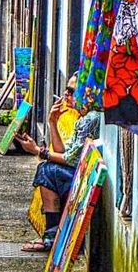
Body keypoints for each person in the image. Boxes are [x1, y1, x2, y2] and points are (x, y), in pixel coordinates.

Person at [15, 72, 99, 252]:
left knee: (46, 170)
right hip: (78, 173)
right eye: (66, 90)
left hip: (83, 179)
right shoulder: (80, 117)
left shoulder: (90, 120)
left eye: (71, 91)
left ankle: (51, 235)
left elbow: (70, 159)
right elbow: (62, 151)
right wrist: (52, 122)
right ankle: (51, 233)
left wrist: (39, 151)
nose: (65, 95)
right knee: (47, 168)